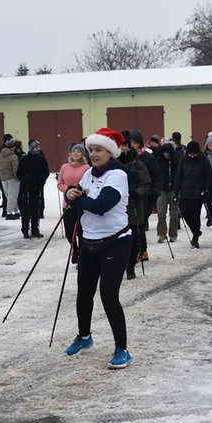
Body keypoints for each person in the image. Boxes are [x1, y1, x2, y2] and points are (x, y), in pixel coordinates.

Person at [63, 128, 133, 369]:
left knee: (108, 295)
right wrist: (71, 195)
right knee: (83, 293)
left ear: (110, 152)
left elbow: (102, 205)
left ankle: (122, 349)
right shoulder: (89, 174)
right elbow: (80, 198)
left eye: (99, 150)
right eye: (91, 150)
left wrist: (78, 199)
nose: (93, 154)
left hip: (116, 241)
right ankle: (84, 337)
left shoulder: (118, 175)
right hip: (90, 242)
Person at [119, 140, 150, 279]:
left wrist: (137, 193)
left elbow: (146, 184)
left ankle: (130, 265)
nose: (123, 148)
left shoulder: (137, 165)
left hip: (133, 206)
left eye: (125, 145)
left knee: (133, 238)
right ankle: (119, 265)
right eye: (120, 146)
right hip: (116, 207)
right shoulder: (112, 165)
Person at [174, 141, 212, 248]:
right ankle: (196, 231)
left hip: (198, 192)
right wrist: (175, 191)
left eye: (194, 154)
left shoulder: (203, 160)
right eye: (190, 154)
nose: (192, 156)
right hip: (185, 191)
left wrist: (206, 189)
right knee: (185, 213)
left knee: (195, 215)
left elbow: (209, 175)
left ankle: (195, 238)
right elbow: (178, 175)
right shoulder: (183, 160)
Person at [129, 130, 159, 262]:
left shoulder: (147, 157)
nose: (132, 145)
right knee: (135, 225)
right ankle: (139, 250)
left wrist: (155, 191)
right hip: (130, 197)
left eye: (134, 143)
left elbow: (156, 176)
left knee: (140, 224)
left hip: (144, 196)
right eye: (130, 143)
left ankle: (142, 250)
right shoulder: (125, 158)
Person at [57, 144, 89, 260]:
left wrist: (80, 191)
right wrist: (68, 190)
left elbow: (89, 184)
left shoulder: (86, 168)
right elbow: (60, 184)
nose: (75, 153)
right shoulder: (64, 167)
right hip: (68, 202)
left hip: (81, 202)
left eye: (78, 152)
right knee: (69, 231)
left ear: (82, 154)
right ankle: (74, 248)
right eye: (73, 151)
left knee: (81, 231)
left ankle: (81, 253)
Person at [17, 139, 50, 239]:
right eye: (35, 147)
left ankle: (35, 230)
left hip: (36, 188)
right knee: (25, 210)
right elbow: (19, 173)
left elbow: (45, 172)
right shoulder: (24, 159)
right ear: (31, 148)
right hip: (25, 188)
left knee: (35, 210)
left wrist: (41, 181)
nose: (37, 149)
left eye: (38, 147)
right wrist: (24, 178)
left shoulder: (41, 159)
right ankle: (25, 230)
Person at [155, 141, 181, 243]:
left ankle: (173, 234)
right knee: (161, 212)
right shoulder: (158, 161)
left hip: (173, 189)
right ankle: (162, 233)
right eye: (164, 152)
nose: (166, 154)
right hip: (162, 189)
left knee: (174, 213)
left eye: (168, 152)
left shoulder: (175, 160)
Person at [0, 138, 21, 219]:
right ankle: (9, 213)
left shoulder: (0, 155)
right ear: (13, 147)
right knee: (13, 196)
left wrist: (0, 175)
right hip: (12, 178)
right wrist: (18, 178)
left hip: (3, 178)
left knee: (9, 195)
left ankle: (16, 211)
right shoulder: (13, 157)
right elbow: (15, 170)